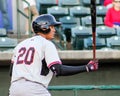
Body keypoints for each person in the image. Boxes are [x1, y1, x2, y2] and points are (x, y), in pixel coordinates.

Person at [9, 14, 98, 96]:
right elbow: (57, 70)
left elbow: (11, 72)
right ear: (44, 28)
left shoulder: (20, 45)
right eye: (52, 27)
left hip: (14, 89)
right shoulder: (46, 44)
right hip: (34, 88)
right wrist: (86, 67)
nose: (54, 30)